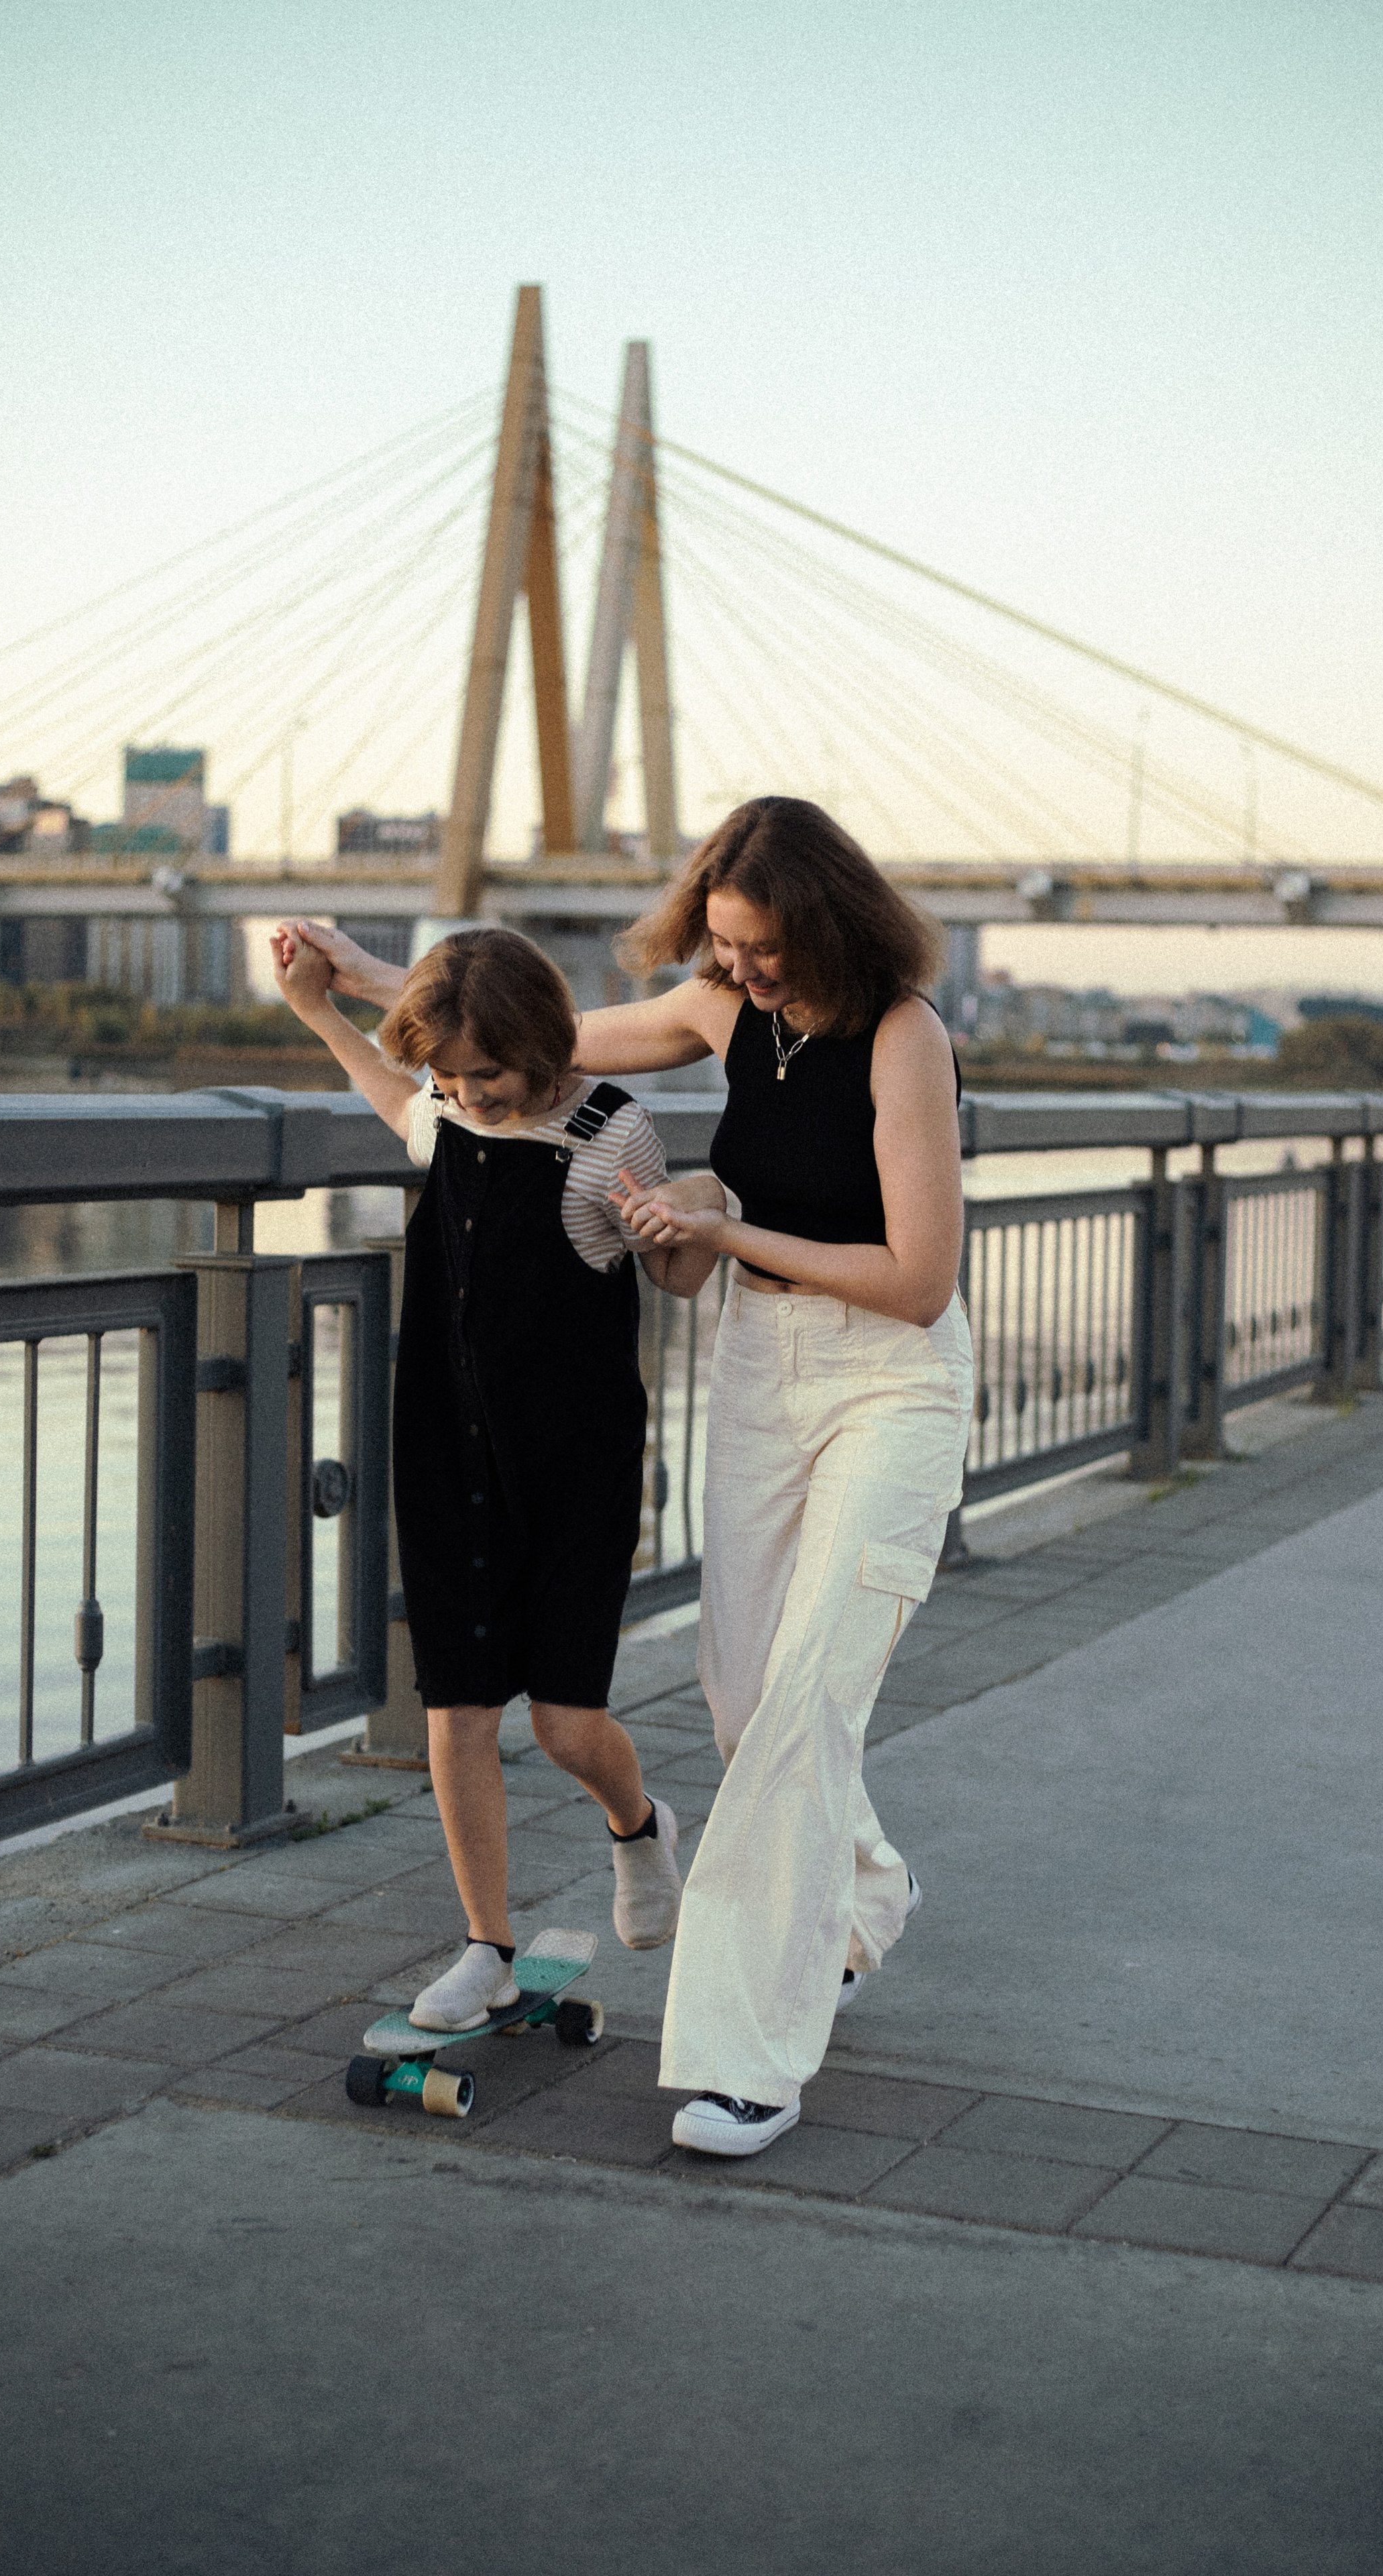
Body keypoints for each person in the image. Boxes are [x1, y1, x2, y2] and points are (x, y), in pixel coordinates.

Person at [281, 796, 972, 2153]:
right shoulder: (723, 1008)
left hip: (890, 1380)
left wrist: (723, 1219)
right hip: (763, 1366)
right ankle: (865, 1894)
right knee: (742, 1700)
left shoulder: (904, 1038)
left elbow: (917, 1280)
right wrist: (366, 979)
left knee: (800, 1706)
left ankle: (748, 2058)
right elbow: (539, 1041)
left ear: (831, 923)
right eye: (723, 943)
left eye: (763, 947)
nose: (740, 969)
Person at [270, 920, 724, 2033]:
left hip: (573, 1469)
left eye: (489, 1075)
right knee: (458, 1709)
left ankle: (639, 1826)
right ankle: (488, 1948)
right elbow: (393, 1097)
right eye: (451, 1074)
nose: (468, 1095)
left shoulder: (611, 1134)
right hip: (447, 1452)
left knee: (566, 1724)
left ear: (544, 1046)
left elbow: (674, 1276)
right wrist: (316, 1008)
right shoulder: (446, 1111)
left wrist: (696, 1212)